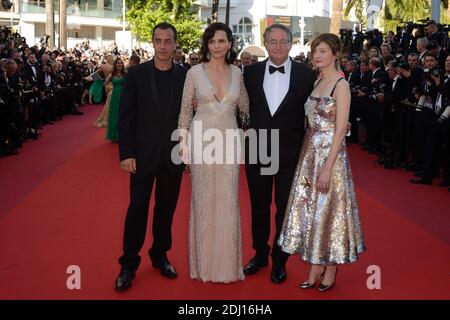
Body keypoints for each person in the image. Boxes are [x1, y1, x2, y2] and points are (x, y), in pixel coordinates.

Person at [278, 33, 366, 292]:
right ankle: (316, 263)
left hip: (331, 156)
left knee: (328, 211)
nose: (317, 56)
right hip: (309, 153)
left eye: (323, 51)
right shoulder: (317, 81)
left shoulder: (341, 85)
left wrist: (327, 168)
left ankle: (330, 267)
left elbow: (341, 130)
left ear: (336, 54)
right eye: (315, 51)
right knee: (312, 211)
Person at [115, 22, 188, 292]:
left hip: (173, 156)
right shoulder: (136, 74)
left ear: (175, 44)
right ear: (152, 42)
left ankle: (160, 255)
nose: (163, 46)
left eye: (168, 41)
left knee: (166, 210)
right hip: (142, 157)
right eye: (158, 40)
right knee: (137, 209)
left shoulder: (185, 75)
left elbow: (191, 115)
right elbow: (126, 116)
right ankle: (128, 264)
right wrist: (127, 153)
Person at [242, 24, 316, 284]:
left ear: (291, 43)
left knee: (284, 209)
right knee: (259, 206)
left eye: (283, 41)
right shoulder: (248, 73)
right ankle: (260, 254)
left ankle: (279, 260)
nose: (277, 46)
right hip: (259, 148)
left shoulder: (306, 75)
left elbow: (315, 111)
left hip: (290, 153)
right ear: (264, 43)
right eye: (272, 41)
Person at [178, 22, 249, 283]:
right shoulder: (194, 73)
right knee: (203, 199)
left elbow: (245, 106)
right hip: (201, 141)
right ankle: (204, 264)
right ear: (206, 44)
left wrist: (246, 130)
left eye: (222, 41)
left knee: (228, 199)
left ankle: (228, 266)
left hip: (229, 142)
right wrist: (183, 145)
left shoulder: (238, 73)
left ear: (230, 43)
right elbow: (185, 111)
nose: (217, 46)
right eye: (212, 41)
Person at [106, 57, 126, 142]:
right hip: (114, 97)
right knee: (114, 115)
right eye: (118, 63)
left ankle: (122, 135)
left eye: (121, 63)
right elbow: (104, 84)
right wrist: (109, 78)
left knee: (122, 116)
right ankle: (115, 136)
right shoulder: (112, 74)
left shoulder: (126, 74)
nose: (120, 64)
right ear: (115, 64)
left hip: (124, 96)